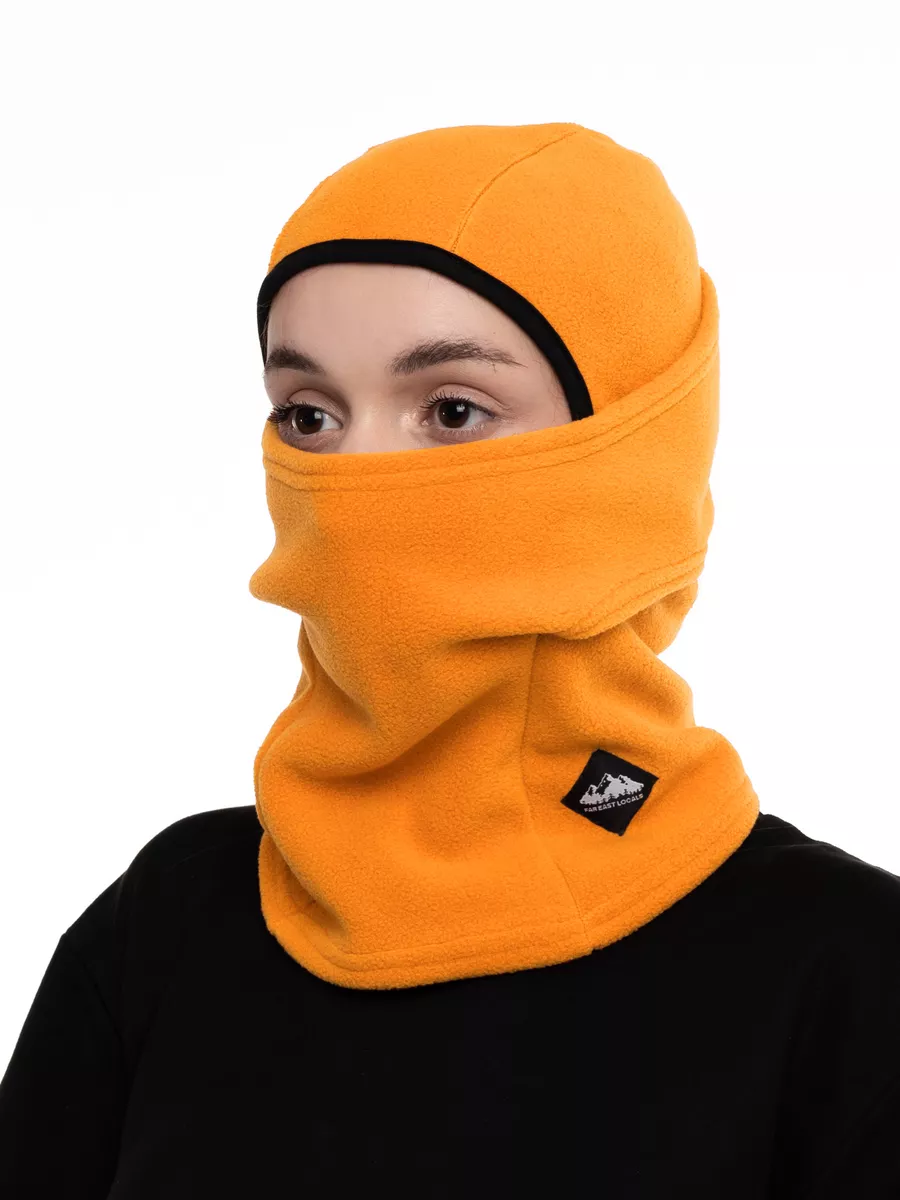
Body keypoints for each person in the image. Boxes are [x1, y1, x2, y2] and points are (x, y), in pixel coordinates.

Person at [1, 120, 898, 1198]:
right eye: (309, 415)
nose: (356, 478)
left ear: (636, 451)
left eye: (453, 410)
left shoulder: (847, 974)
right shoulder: (166, 926)